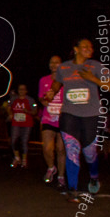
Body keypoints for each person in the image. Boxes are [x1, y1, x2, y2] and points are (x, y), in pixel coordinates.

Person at [44, 38, 110, 201]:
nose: (89, 49)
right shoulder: (64, 67)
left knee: (89, 153)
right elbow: (57, 83)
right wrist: (51, 92)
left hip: (90, 115)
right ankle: (73, 188)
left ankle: (94, 176)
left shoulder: (96, 66)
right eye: (85, 47)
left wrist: (93, 79)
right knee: (72, 149)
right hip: (69, 114)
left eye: (91, 47)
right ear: (75, 49)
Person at [38, 55, 67, 188]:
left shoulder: (67, 80)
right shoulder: (44, 80)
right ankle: (51, 167)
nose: (54, 65)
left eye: (57, 62)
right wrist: (44, 101)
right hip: (48, 118)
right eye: (52, 62)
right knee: (47, 148)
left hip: (63, 119)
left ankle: (61, 176)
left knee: (61, 149)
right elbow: (41, 98)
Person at [8, 83, 38, 168]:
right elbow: (8, 107)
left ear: (26, 91)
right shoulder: (14, 99)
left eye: (23, 89)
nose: (21, 91)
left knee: (24, 141)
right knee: (14, 140)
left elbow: (35, 111)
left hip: (27, 123)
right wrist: (10, 114)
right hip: (16, 122)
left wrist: (27, 111)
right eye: (20, 89)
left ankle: (24, 160)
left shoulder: (30, 100)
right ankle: (17, 158)